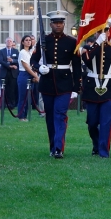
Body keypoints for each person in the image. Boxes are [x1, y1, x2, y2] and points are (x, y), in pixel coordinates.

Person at [31, 11, 80, 159]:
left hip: (64, 83)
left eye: (61, 22)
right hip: (47, 83)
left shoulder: (72, 42)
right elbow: (33, 60)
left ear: (64, 24)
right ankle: (53, 146)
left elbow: (76, 65)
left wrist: (77, 86)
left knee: (60, 114)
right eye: (55, 22)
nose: (58, 25)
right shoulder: (44, 40)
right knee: (50, 117)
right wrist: (39, 68)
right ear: (51, 24)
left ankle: (59, 148)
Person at [81, 25, 111, 158]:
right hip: (92, 88)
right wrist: (97, 44)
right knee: (92, 122)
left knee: (106, 122)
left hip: (109, 88)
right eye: (99, 31)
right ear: (95, 33)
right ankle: (96, 144)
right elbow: (87, 60)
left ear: (110, 32)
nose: (102, 33)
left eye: (105, 31)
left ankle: (104, 150)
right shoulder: (88, 49)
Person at [17, 34, 39, 122]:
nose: (28, 41)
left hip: (31, 74)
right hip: (24, 74)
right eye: (26, 40)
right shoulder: (22, 52)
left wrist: (35, 73)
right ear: (23, 42)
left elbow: (33, 65)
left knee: (28, 97)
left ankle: (25, 115)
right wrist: (36, 76)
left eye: (30, 40)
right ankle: (21, 116)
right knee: (23, 97)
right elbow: (26, 66)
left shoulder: (30, 52)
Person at [0, 37, 19, 107]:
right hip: (4, 72)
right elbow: (1, 61)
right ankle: (3, 104)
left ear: (12, 43)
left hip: (13, 73)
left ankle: (12, 104)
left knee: (12, 89)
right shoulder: (1, 51)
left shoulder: (16, 51)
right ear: (5, 42)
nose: (9, 42)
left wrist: (12, 61)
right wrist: (9, 66)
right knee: (3, 89)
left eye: (10, 41)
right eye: (8, 41)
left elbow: (18, 60)